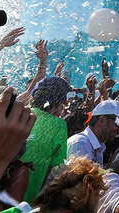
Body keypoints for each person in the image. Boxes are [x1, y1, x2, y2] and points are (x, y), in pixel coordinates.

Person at [22, 75, 72, 203]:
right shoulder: (59, 125)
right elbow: (53, 167)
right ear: (60, 103)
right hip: (25, 201)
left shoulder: (19, 113)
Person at [67, 99, 119, 165]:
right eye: (118, 123)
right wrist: (113, 168)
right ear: (102, 120)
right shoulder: (81, 143)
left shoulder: (98, 147)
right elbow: (78, 175)